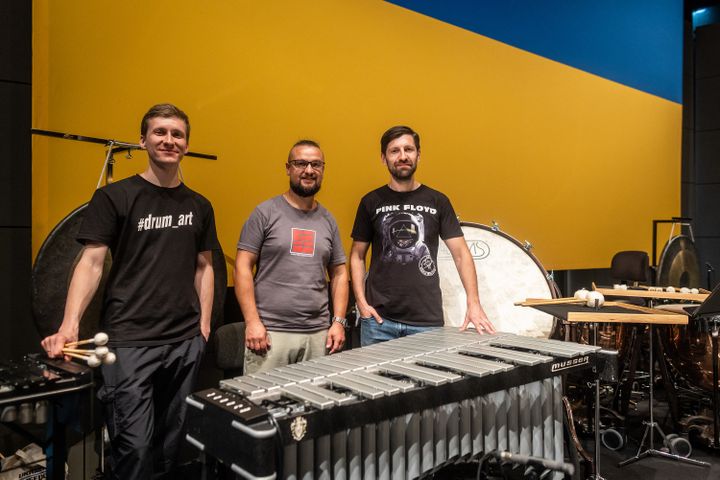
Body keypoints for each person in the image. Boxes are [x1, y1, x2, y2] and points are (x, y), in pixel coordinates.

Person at [41, 104, 218, 479]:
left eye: (177, 134)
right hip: (130, 341)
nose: (169, 140)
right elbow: (89, 264)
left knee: (174, 449)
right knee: (133, 448)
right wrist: (69, 325)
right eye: (160, 132)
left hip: (184, 340)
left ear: (186, 144)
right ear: (143, 140)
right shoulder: (115, 197)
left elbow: (204, 267)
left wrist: (202, 327)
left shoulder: (199, 205)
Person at [350, 125, 495, 346]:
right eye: (394, 151)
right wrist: (361, 303)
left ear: (418, 155)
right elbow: (357, 256)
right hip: (378, 322)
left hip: (426, 323)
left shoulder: (438, 201)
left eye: (408, 149)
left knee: (427, 382)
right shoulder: (370, 202)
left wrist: (473, 303)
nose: (402, 156)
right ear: (383, 158)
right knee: (376, 381)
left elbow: (461, 254)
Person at [235, 139, 348, 374]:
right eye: (301, 163)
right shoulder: (265, 213)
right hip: (270, 334)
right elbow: (242, 266)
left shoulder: (328, 220)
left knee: (313, 407)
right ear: (288, 168)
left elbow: (339, 273)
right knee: (263, 407)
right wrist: (252, 322)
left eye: (316, 165)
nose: (309, 170)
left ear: (323, 170)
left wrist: (338, 322)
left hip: (318, 336)